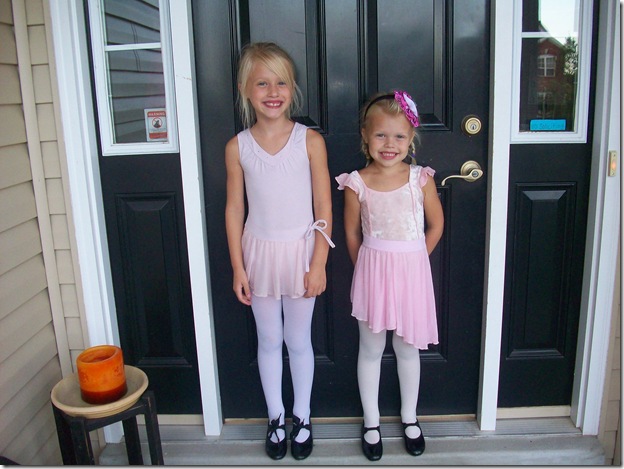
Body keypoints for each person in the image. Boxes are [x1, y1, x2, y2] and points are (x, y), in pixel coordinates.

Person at [224, 42, 334, 461]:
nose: (273, 92)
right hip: (259, 256)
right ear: (245, 90)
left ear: (293, 89)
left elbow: (323, 206)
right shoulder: (238, 147)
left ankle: (302, 416)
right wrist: (238, 267)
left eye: (281, 83)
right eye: (262, 83)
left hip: (302, 253)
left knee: (298, 340)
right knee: (269, 340)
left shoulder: (310, 141)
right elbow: (235, 209)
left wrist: (319, 263)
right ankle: (276, 417)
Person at [335, 90, 444, 461]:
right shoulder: (357, 182)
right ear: (365, 136)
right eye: (380, 135)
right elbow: (352, 233)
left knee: (407, 349)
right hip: (373, 276)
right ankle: (371, 421)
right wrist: (366, 268)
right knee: (370, 350)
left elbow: (436, 225)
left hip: (412, 275)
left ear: (410, 139)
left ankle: (410, 417)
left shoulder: (420, 179)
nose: (389, 144)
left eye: (398, 136)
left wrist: (415, 260)